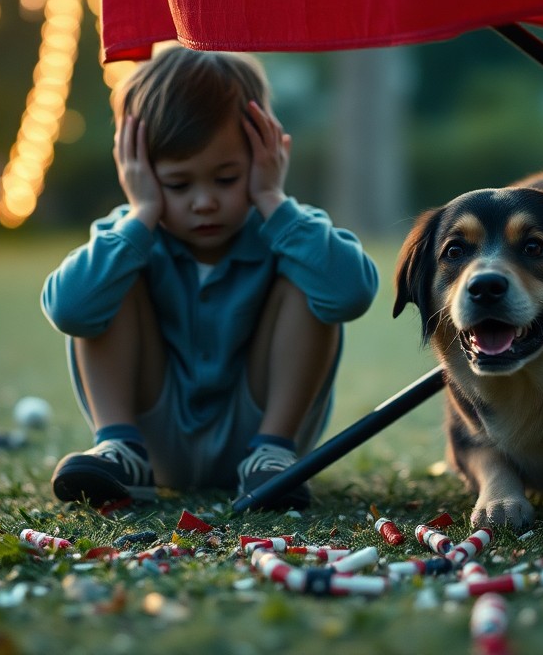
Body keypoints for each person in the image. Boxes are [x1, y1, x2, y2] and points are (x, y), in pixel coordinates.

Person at [42, 47, 379, 510]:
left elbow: (350, 293)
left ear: (263, 153)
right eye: (179, 185)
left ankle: (273, 452)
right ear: (136, 170)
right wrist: (141, 214)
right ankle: (119, 447)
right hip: (151, 439)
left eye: (226, 178)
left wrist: (271, 199)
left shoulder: (288, 228)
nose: (204, 202)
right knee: (107, 277)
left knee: (312, 274)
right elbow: (70, 309)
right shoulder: (130, 232)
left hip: (263, 444)